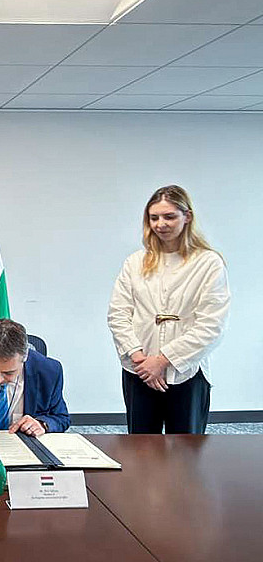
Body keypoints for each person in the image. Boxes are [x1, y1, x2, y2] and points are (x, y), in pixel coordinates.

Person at [108, 185, 230, 434]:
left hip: (187, 371)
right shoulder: (135, 262)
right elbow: (118, 314)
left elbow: (211, 325)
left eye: (169, 216)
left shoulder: (209, 263)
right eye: (154, 218)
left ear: (187, 217)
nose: (160, 224)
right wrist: (141, 360)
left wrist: (163, 361)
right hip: (139, 370)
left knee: (186, 448)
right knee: (141, 447)